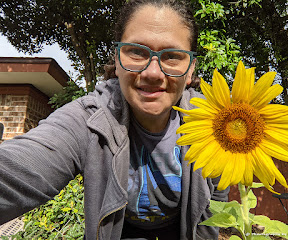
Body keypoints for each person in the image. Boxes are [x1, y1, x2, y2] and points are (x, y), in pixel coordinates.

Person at [0, 0, 229, 239]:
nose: (153, 73)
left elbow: (216, 205)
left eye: (172, 56)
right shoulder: (91, 117)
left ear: (190, 68)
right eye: (137, 52)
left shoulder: (214, 123)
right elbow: (19, 170)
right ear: (118, 59)